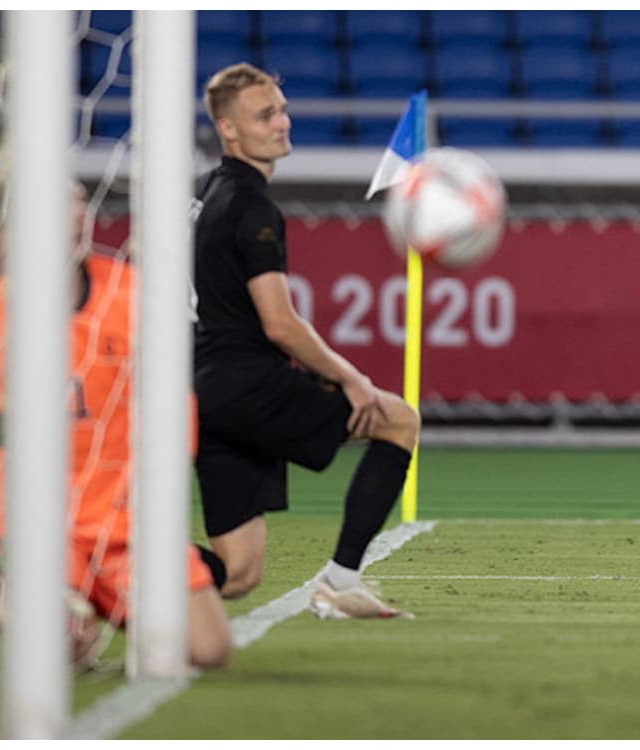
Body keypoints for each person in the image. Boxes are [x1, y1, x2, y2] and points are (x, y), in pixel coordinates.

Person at [0, 182, 232, 670]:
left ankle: (41, 599)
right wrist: (18, 541)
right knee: (57, 655)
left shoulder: (134, 295)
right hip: (45, 530)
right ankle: (17, 588)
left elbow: (177, 415)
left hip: (127, 527)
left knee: (208, 649)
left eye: (78, 204)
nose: (73, 214)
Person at [192, 63, 420, 619]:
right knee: (397, 419)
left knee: (238, 570)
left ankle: (90, 571)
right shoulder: (251, 206)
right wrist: (352, 379)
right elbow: (280, 323)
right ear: (228, 129)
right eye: (264, 115)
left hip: (206, 391)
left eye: (282, 110)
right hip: (244, 384)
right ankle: (339, 581)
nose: (282, 123)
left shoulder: (207, 195)